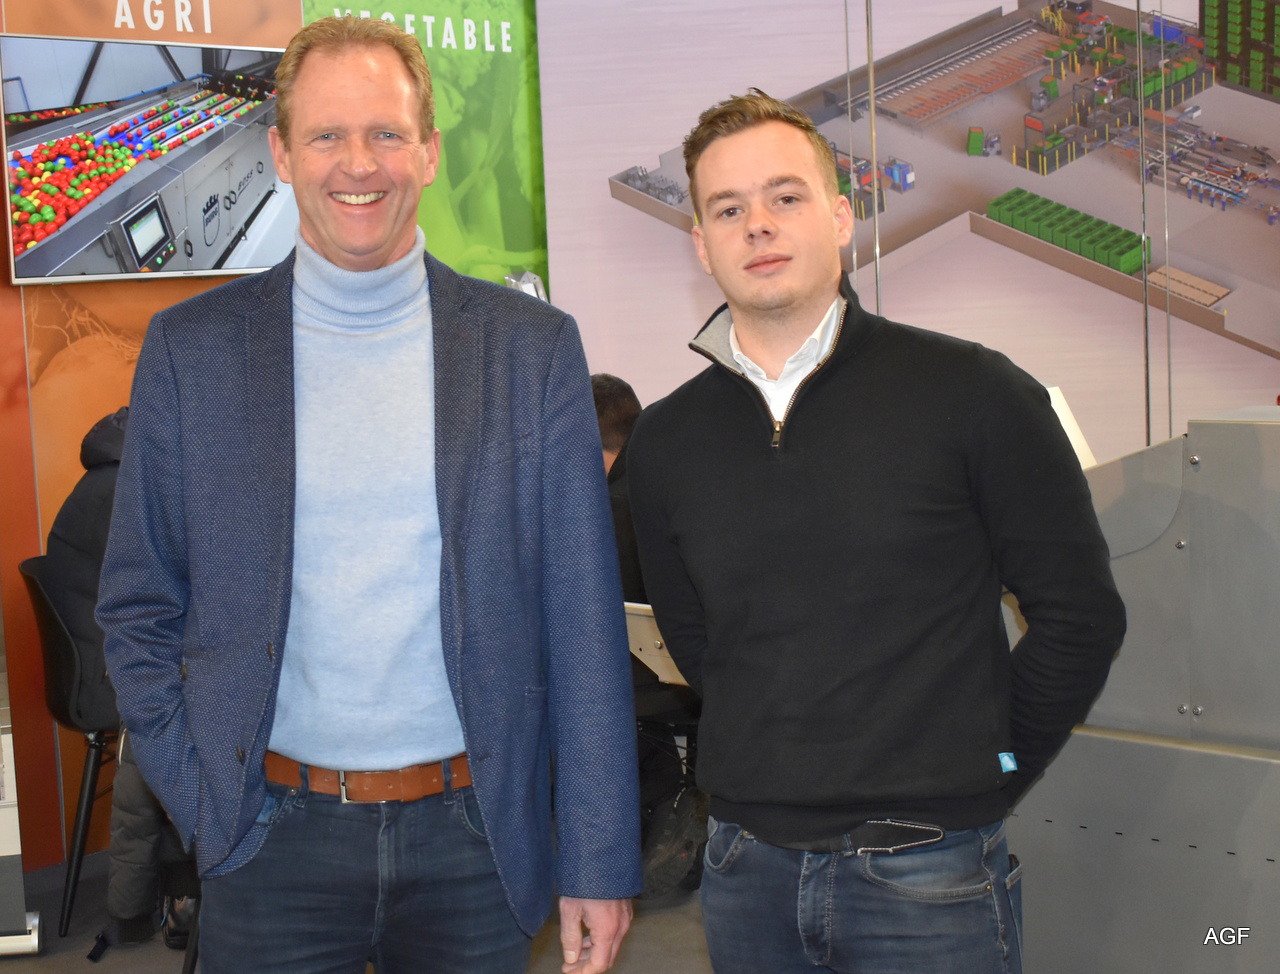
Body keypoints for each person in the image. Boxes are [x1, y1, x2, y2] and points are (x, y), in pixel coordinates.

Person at [97, 16, 640, 974]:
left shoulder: (530, 351)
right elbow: (138, 605)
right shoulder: (193, 352)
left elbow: (583, 624)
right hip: (267, 840)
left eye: (387, 132)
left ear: (429, 150)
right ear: (280, 154)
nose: (359, 163)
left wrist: (597, 858)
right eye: (327, 135)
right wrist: (205, 802)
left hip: (476, 842)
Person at [626, 89, 1127, 973]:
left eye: (785, 197)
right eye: (728, 209)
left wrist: (986, 769)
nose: (758, 225)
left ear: (839, 216)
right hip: (746, 873)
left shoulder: (974, 393)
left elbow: (1080, 615)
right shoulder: (667, 440)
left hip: (930, 872)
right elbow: (699, 643)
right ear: (702, 243)